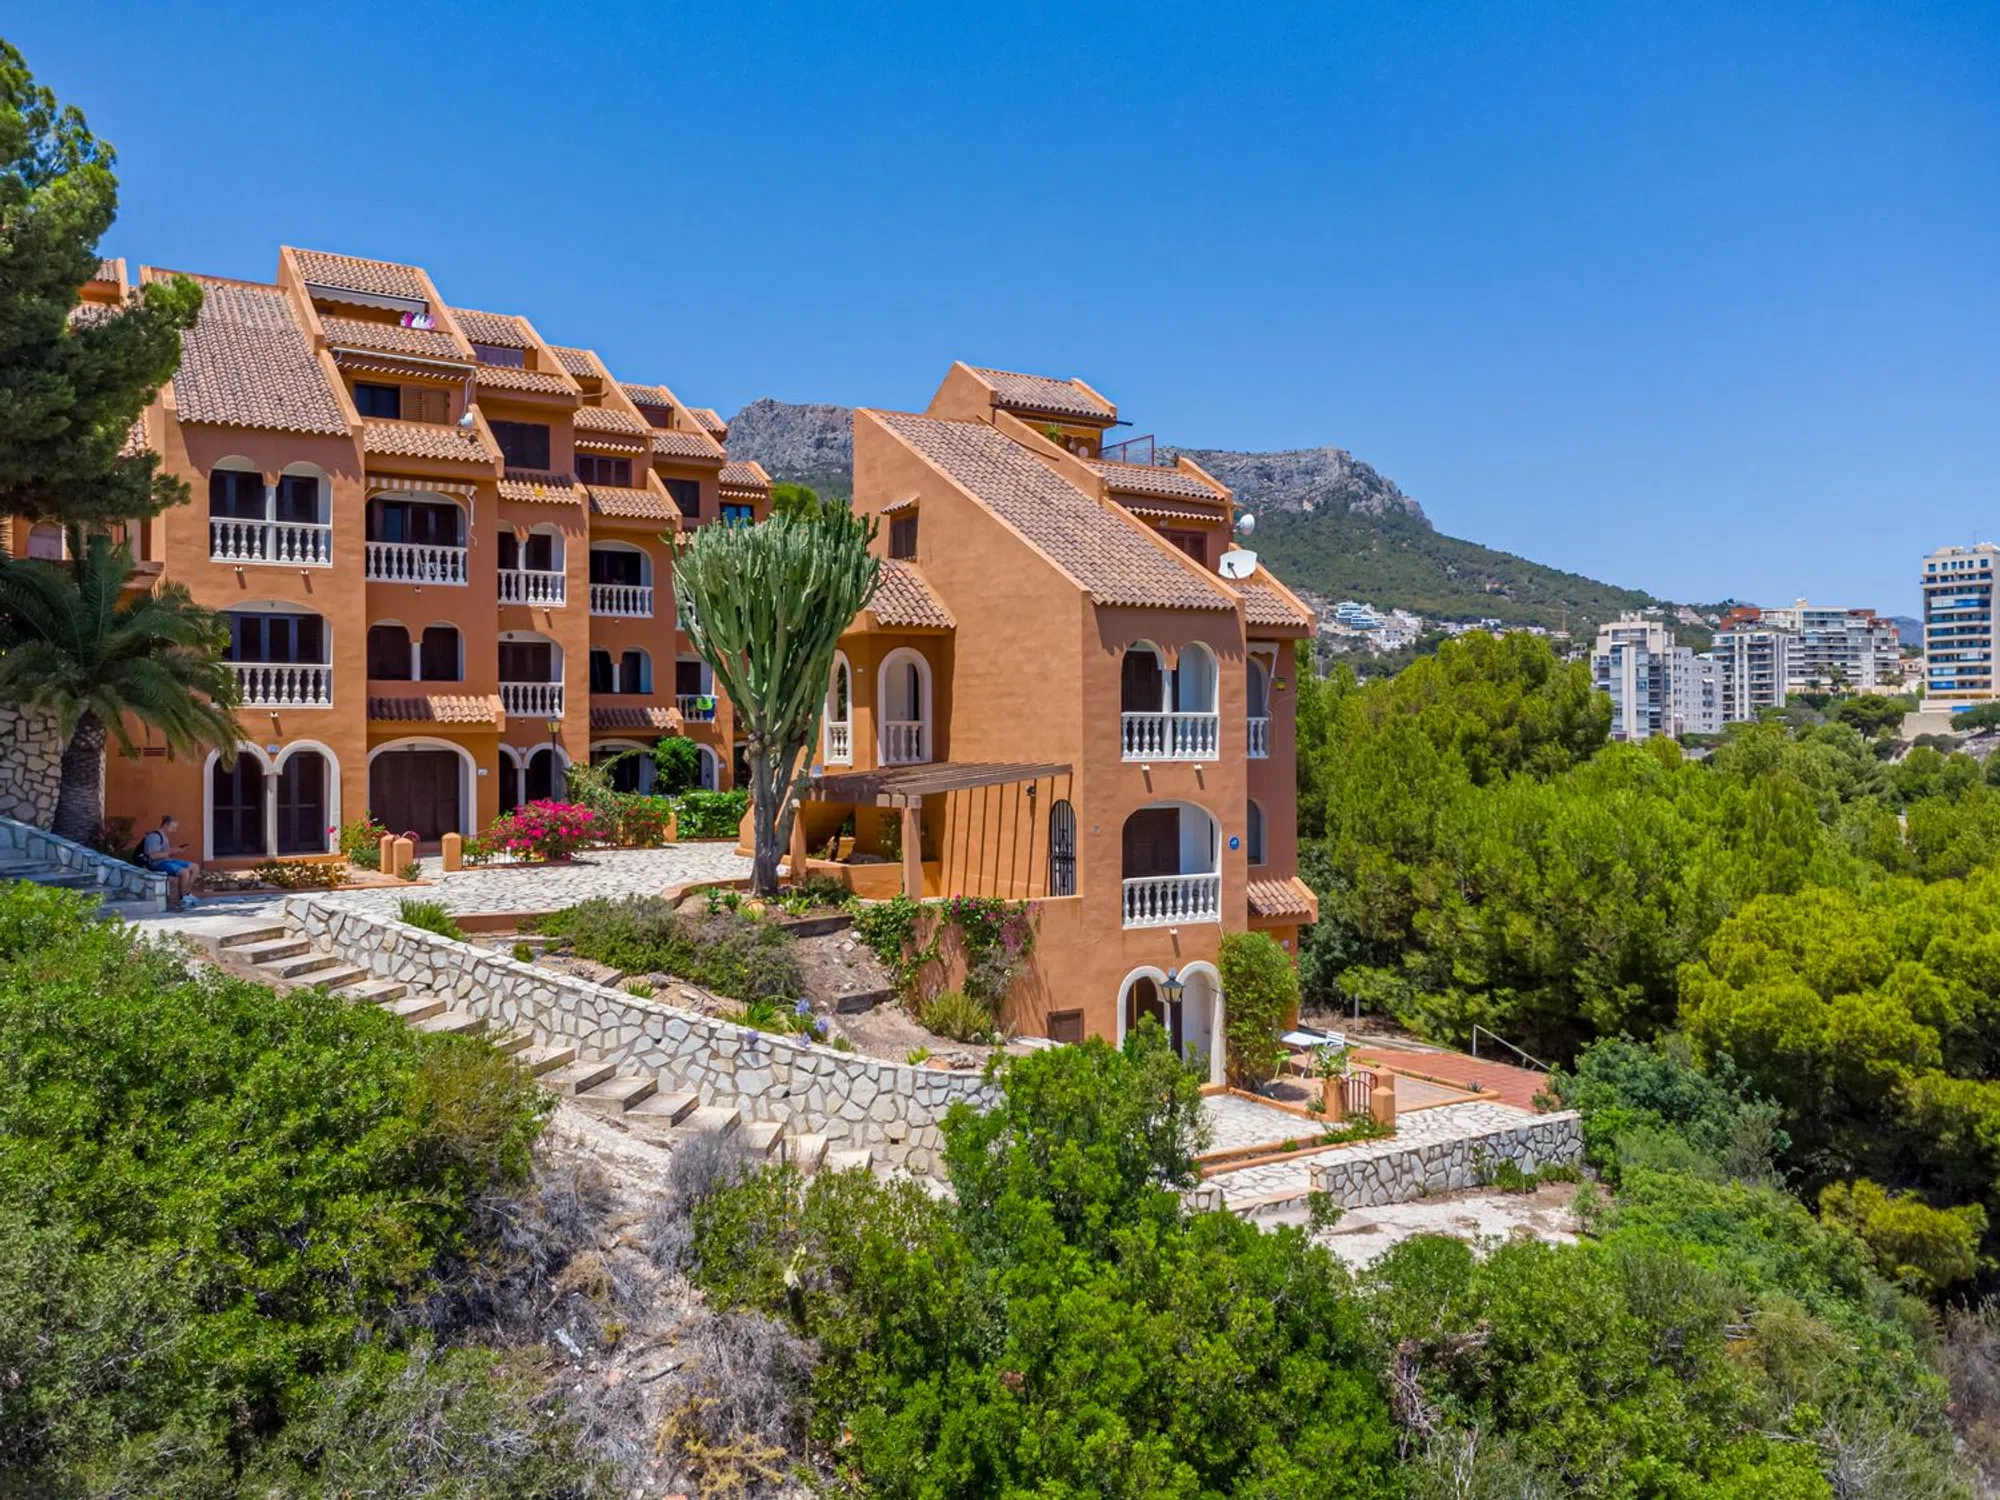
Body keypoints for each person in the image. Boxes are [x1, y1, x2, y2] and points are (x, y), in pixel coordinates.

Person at [138, 814, 199, 904]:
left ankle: (187, 894)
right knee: (184, 872)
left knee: (195, 867)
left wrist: (176, 850)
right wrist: (171, 851)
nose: (174, 830)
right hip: (157, 863)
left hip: (166, 861)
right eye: (173, 828)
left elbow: (166, 852)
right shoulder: (154, 837)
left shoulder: (164, 836)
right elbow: (152, 856)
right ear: (166, 825)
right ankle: (182, 898)